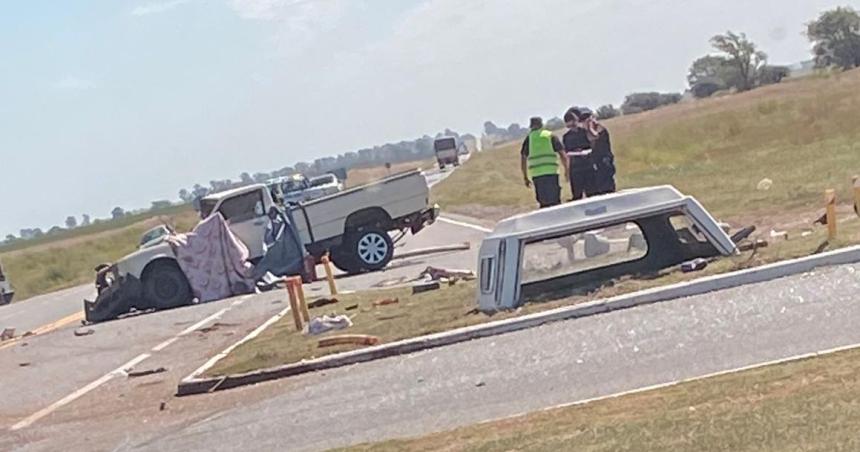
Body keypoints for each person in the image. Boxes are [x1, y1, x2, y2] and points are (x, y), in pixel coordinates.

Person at [520, 117, 568, 208]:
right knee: (555, 201)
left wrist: (525, 177)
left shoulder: (529, 139)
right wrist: (566, 170)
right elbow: (562, 154)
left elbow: (523, 159)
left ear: (531, 126)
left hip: (537, 175)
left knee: (543, 202)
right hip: (551, 173)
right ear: (542, 125)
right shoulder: (550, 135)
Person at [570, 107, 617, 196]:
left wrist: (590, 127)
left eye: (586, 118)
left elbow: (594, 137)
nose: (584, 121)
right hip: (595, 160)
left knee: (606, 184)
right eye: (582, 119)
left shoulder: (599, 127)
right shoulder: (586, 131)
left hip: (604, 160)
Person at [562, 109, 595, 201]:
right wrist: (567, 171)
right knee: (577, 195)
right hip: (575, 168)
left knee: (592, 193)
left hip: (588, 165)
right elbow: (566, 153)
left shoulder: (584, 132)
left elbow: (592, 145)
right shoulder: (566, 137)